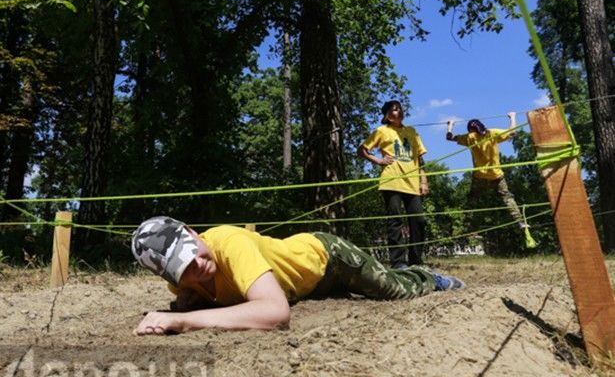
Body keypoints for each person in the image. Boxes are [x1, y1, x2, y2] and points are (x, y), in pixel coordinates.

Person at [131, 216, 465, 335]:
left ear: (192, 232)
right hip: (309, 285)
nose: (197, 266)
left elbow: (275, 314)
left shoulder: (229, 243)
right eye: (184, 269)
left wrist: (187, 321)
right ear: (172, 279)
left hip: (329, 257)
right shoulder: (183, 283)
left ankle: (427, 277)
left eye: (193, 253)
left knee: (393, 290)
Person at [358, 100, 428, 268]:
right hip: (391, 182)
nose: (399, 112)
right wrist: (379, 160)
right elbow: (362, 150)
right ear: (387, 116)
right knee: (395, 221)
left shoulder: (412, 131)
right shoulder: (381, 131)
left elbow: (420, 158)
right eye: (394, 110)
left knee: (418, 221)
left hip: (412, 183)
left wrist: (423, 181)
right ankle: (398, 263)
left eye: (400, 109)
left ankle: (416, 262)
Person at [446, 112, 526, 230]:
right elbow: (512, 132)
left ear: (470, 129)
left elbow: (449, 137)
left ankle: (466, 225)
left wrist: (450, 125)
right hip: (496, 175)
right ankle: (520, 222)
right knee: (507, 198)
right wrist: (512, 117)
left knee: (473, 199)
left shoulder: (469, 137)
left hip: (480, 176)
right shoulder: (491, 133)